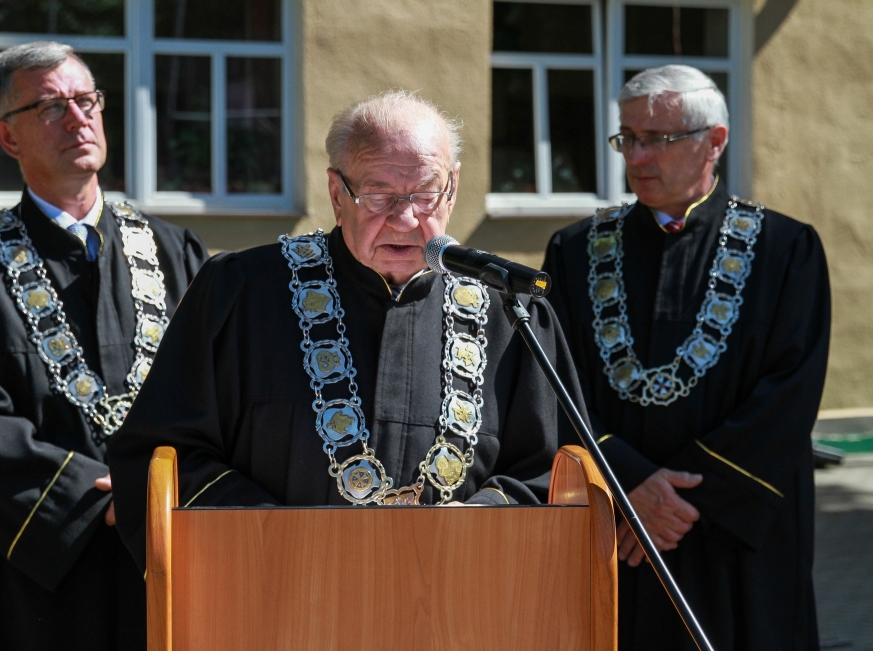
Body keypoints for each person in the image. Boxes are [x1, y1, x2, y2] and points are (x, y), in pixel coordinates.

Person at [107, 90, 585, 568]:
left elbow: (557, 471)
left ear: (453, 189)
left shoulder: (511, 313)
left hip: (453, 606)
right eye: (379, 196)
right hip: (272, 601)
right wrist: (281, 538)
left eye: (425, 195)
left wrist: (481, 520)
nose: (405, 219)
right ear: (338, 193)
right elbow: (161, 460)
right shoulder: (241, 292)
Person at [0, 41, 208, 649]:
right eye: (49, 106)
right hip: (32, 571)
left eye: (85, 100)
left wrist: (169, 489)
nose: (77, 119)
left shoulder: (176, 253)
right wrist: (89, 498)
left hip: (164, 548)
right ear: (8, 137)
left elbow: (221, 391)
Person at [542, 65, 830, 650]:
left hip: (739, 533)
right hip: (617, 524)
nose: (639, 158)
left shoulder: (786, 250)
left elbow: (789, 394)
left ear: (715, 141)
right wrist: (631, 485)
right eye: (629, 138)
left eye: (660, 139)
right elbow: (550, 381)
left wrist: (672, 502)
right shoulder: (572, 253)